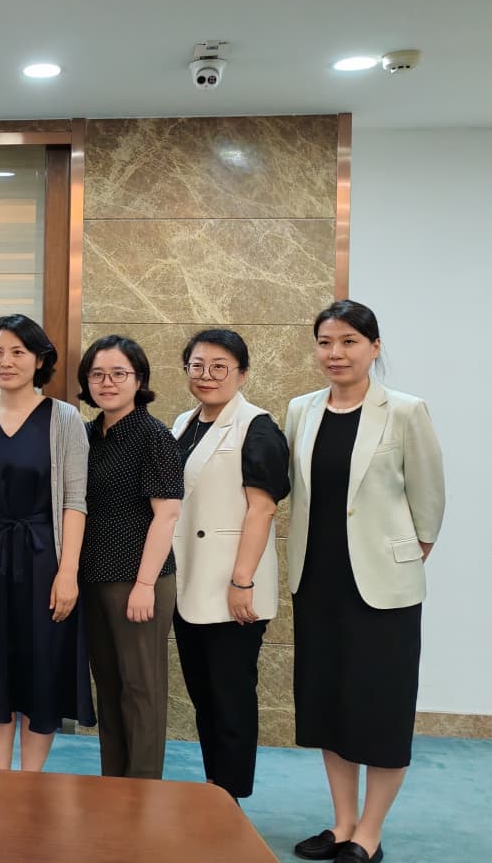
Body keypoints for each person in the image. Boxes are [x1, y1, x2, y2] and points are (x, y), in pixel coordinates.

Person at [285, 301, 445, 863]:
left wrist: (402, 557)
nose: (336, 353)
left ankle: (369, 833)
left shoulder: (405, 410)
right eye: (326, 341)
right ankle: (342, 823)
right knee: (328, 705)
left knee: (381, 709)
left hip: (383, 590)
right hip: (317, 582)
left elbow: (428, 500)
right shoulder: (301, 410)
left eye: (349, 341)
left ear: (374, 348)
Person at [0, 314, 94, 770]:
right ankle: (0, 779)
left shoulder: (65, 418)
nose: (5, 361)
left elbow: (75, 500)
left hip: (44, 558)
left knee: (40, 667)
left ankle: (30, 780)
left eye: (17, 352)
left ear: (40, 359)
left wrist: (68, 572)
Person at [170, 329, 290, 801]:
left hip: (232, 586)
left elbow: (262, 509)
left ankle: (231, 798)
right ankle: (214, 789)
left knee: (231, 698)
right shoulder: (184, 422)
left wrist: (243, 582)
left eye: (220, 367)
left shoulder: (257, 427)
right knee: (205, 696)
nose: (207, 375)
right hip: (191, 579)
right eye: (197, 365)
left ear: (242, 373)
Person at [76, 335, 183, 780]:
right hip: (93, 577)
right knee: (109, 685)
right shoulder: (86, 435)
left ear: (139, 380)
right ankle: (114, 786)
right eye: (98, 374)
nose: (107, 382)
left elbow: (167, 514)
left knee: (142, 689)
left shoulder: (154, 436)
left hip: (139, 580)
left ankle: (143, 792)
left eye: (119, 373)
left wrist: (144, 585)